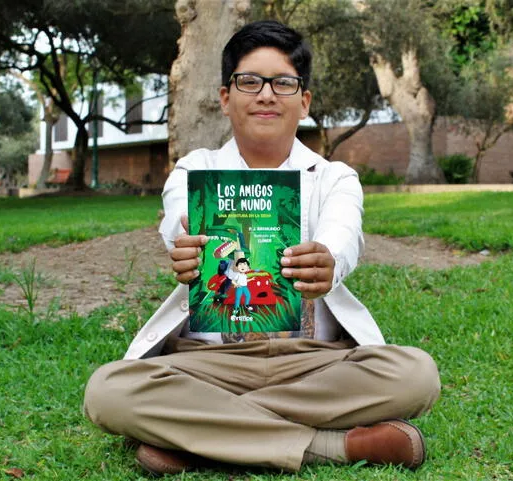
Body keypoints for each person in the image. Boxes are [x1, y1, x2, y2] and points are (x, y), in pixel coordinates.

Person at [84, 20, 440, 476]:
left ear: (304, 101)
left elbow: (343, 235)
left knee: (416, 374)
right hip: (207, 364)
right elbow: (178, 221)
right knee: (108, 390)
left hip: (315, 364)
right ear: (226, 97)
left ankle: (198, 435)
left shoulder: (335, 178)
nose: (267, 95)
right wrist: (185, 241)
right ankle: (331, 447)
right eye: (249, 81)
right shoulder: (194, 170)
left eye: (284, 83)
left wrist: (328, 261)